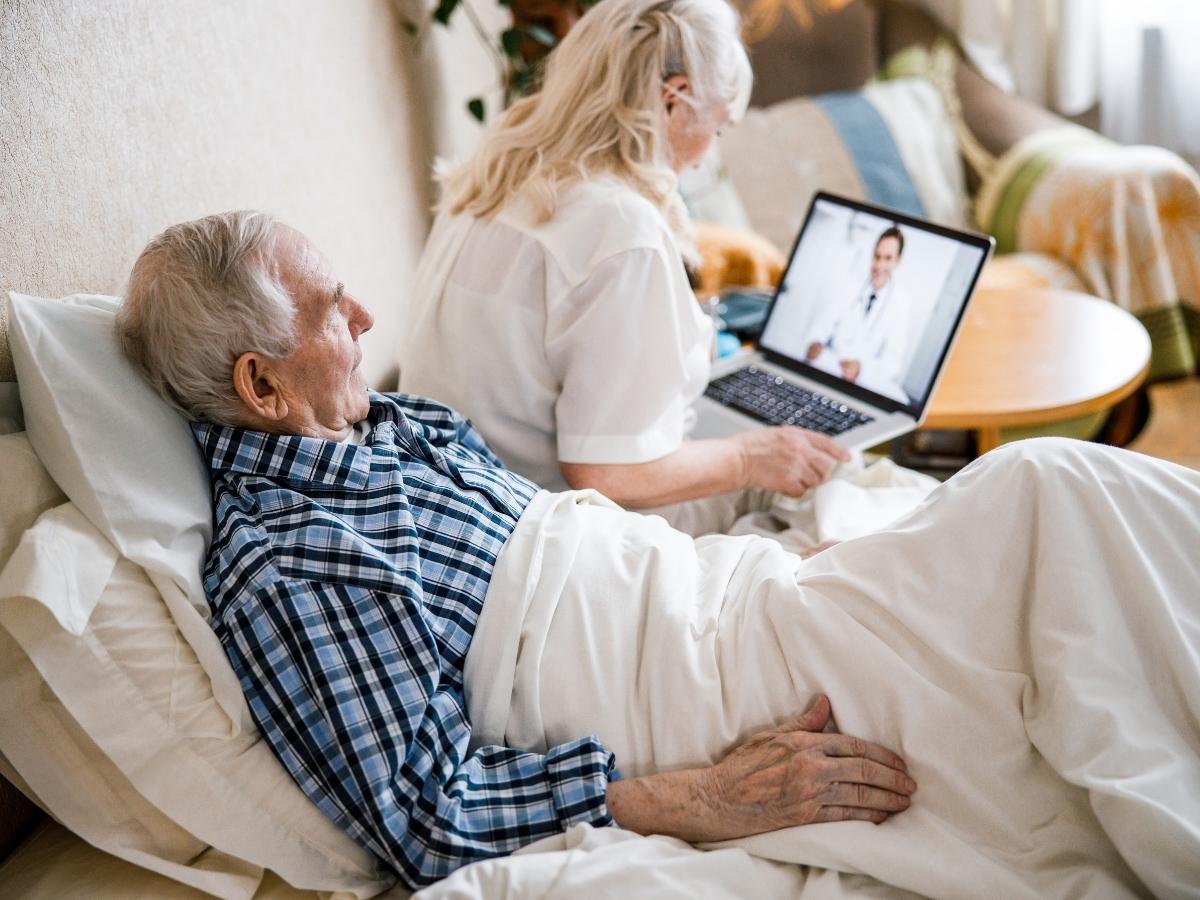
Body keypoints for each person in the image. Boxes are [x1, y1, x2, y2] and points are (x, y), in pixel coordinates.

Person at [117, 212, 1200, 896]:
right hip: (671, 686)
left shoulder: (382, 425)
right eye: (329, 312)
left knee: (1047, 504)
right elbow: (428, 809)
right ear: (262, 386)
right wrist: (702, 798)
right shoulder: (287, 561)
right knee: (1043, 497)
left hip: (713, 599)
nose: (363, 313)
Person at [398, 0, 852, 527]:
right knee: (845, 488)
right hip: (554, 528)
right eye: (718, 128)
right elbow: (608, 475)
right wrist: (749, 457)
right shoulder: (621, 230)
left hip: (450, 493)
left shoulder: (503, 166)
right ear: (673, 99)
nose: (706, 158)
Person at [805, 226, 912, 398]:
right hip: (833, 363)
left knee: (901, 399)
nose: (879, 265)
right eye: (876, 257)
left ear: (897, 261)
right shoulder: (850, 283)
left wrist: (861, 369)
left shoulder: (901, 302)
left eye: (887, 258)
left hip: (866, 378)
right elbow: (822, 325)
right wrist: (816, 341)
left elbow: (893, 362)